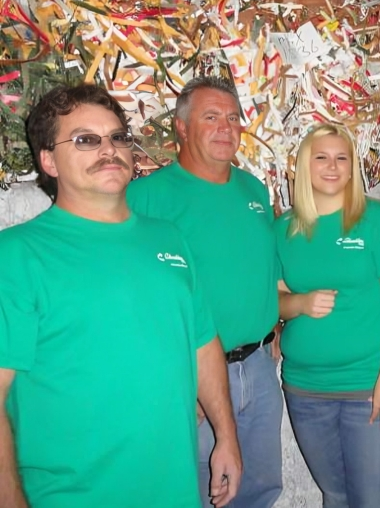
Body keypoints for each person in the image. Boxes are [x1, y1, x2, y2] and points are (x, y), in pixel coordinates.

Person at [0, 84, 240, 508]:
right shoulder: (18, 255)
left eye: (117, 137)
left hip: (174, 490)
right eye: (85, 140)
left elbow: (202, 345)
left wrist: (226, 436)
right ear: (49, 161)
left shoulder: (169, 238)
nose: (108, 149)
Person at [127, 76, 282, 508]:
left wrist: (275, 324)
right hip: (192, 378)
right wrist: (173, 378)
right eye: (210, 117)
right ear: (181, 127)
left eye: (233, 118)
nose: (225, 128)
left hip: (261, 369)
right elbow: (130, 302)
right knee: (192, 491)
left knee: (259, 488)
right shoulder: (145, 198)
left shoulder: (254, 189)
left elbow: (262, 269)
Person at [274, 123, 380, 508]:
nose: (332, 166)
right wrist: (300, 304)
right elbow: (277, 301)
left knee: (372, 500)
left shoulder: (378, 221)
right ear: (304, 166)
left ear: (353, 168)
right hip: (306, 389)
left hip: (369, 385)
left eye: (342, 158)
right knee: (335, 495)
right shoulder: (285, 228)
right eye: (321, 157)